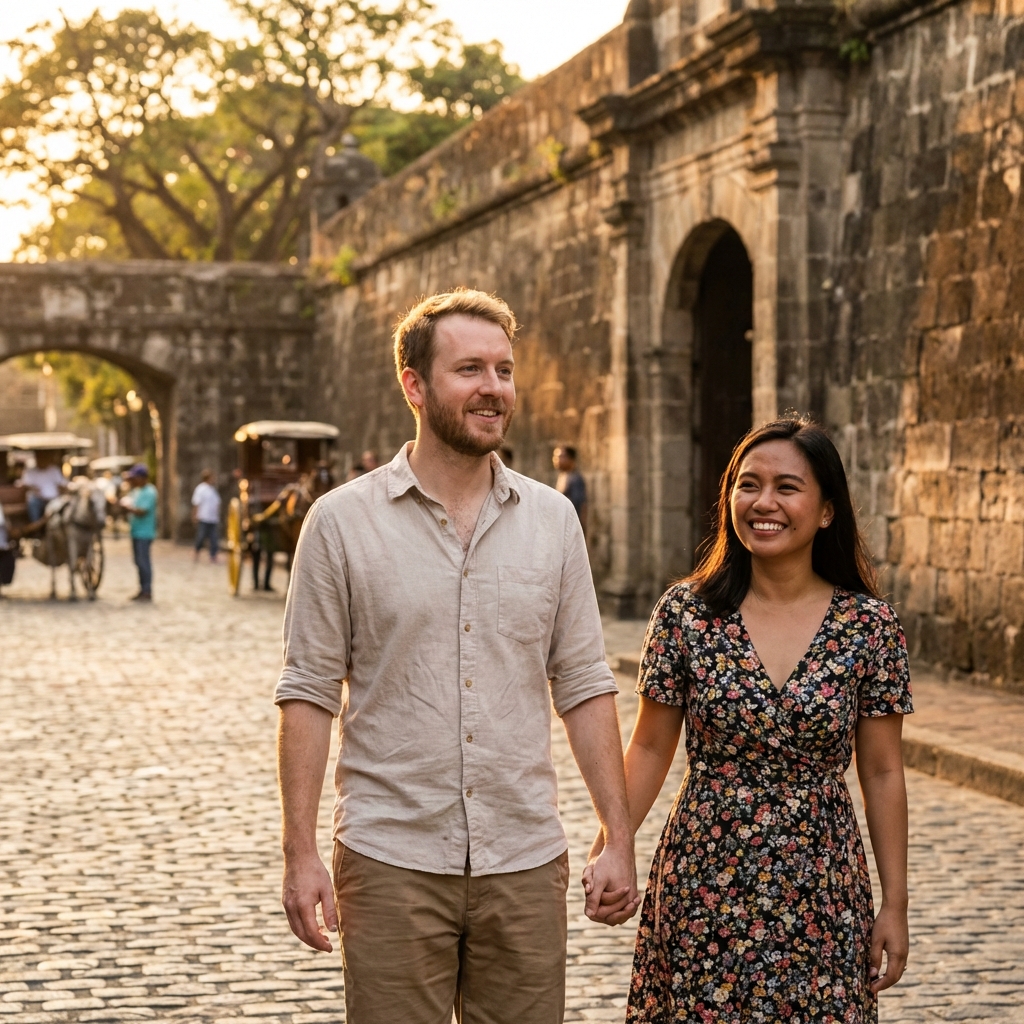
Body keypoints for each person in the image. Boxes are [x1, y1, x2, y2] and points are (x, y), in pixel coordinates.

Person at [275, 287, 640, 1024]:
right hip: (391, 856)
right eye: (469, 369)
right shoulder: (340, 523)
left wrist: (619, 835)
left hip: (524, 857)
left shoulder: (553, 521)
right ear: (414, 385)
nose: (493, 388)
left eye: (504, 370)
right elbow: (308, 692)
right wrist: (300, 852)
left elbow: (583, 684)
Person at [592, 415, 912, 1023]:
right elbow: (650, 747)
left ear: (827, 511)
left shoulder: (869, 626)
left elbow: (882, 771)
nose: (764, 503)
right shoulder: (686, 614)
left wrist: (894, 904)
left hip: (823, 885)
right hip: (704, 879)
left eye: (787, 487)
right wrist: (612, 847)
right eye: (748, 485)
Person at [121, 464, 158, 601]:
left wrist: (128, 508)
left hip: (145, 533)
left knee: (143, 562)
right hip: (136, 532)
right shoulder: (136, 491)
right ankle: (142, 589)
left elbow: (142, 511)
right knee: (138, 562)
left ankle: (147, 590)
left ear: (142, 478)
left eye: (135, 478)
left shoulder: (150, 491)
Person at [18, 451, 67, 522]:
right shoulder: (30, 471)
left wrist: (65, 493)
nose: (42, 460)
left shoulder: (55, 470)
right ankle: (35, 524)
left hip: (54, 499)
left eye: (44, 458)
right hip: (38, 499)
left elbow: (62, 485)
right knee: (33, 503)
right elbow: (25, 485)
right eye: (40, 458)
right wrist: (34, 489)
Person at [553, 445, 587, 536]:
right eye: (555, 457)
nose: (556, 460)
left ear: (570, 459)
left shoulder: (575, 479)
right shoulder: (563, 476)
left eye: (560, 457)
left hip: (569, 529)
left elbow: (579, 505)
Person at [191, 469, 221, 563]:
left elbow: (217, 503)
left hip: (213, 518)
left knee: (214, 538)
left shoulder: (212, 490)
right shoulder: (200, 489)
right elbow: (196, 503)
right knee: (201, 537)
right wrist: (195, 515)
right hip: (204, 517)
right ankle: (196, 551)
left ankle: (213, 555)